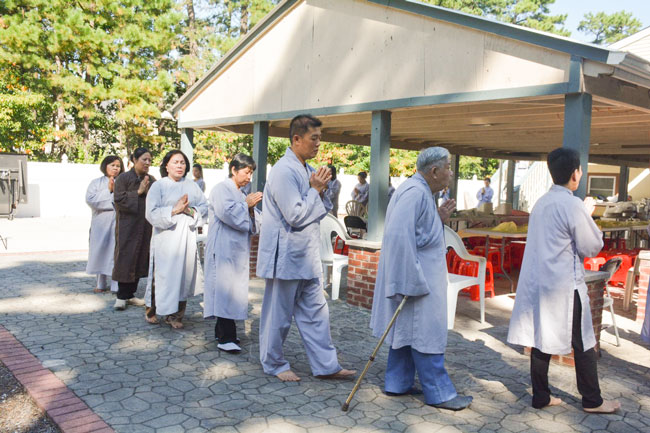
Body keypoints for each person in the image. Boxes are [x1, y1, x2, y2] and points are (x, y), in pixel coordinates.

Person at [507, 147, 620, 414]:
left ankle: (541, 395)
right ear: (575, 173)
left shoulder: (541, 202)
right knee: (584, 341)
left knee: (540, 337)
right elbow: (591, 246)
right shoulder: (572, 205)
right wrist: (587, 214)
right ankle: (593, 400)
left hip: (540, 282)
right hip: (564, 285)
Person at [370, 146, 472, 411]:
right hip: (417, 280)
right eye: (448, 167)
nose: (451, 172)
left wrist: (439, 218)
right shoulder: (415, 193)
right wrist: (409, 281)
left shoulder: (422, 192)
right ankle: (439, 393)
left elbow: (420, 231)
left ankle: (398, 383)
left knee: (407, 331)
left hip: (421, 277)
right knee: (425, 332)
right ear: (434, 171)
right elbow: (399, 237)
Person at [257, 114, 355, 382]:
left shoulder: (307, 169)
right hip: (286, 256)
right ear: (297, 139)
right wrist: (315, 190)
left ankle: (326, 365)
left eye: (320, 138)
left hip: (307, 255)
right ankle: (274, 363)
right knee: (278, 315)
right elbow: (295, 215)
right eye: (314, 138)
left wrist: (320, 190)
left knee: (316, 313)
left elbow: (321, 209)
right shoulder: (283, 171)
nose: (318, 144)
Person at [204, 154, 262, 352]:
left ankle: (223, 332)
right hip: (223, 248)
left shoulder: (240, 193)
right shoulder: (221, 189)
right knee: (225, 290)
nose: (249, 177)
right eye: (246, 172)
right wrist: (246, 205)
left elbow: (253, 221)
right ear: (234, 170)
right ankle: (225, 337)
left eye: (251, 173)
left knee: (233, 291)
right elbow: (227, 214)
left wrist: (251, 210)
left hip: (237, 251)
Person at [145, 150, 208, 329]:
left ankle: (176, 316)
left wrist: (189, 211)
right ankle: (152, 310)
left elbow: (205, 207)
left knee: (182, 276)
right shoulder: (158, 186)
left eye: (182, 162)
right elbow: (151, 213)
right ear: (167, 166)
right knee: (161, 275)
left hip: (185, 238)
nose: (179, 166)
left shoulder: (192, 186)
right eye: (175, 162)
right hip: (165, 237)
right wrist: (174, 210)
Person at [112, 148, 155, 311]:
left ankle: (130, 294)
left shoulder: (151, 179)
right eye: (144, 159)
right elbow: (119, 200)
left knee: (140, 256)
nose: (147, 163)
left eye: (149, 160)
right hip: (127, 225)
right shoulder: (123, 178)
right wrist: (138, 192)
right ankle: (121, 296)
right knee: (126, 256)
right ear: (134, 160)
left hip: (145, 225)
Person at [85, 155, 124, 293]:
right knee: (100, 251)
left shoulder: (123, 182)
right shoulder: (96, 183)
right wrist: (109, 191)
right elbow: (91, 199)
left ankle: (116, 284)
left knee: (116, 253)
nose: (115, 168)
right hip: (101, 222)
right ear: (105, 166)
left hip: (118, 221)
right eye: (112, 165)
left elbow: (125, 199)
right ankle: (100, 283)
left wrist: (114, 193)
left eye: (118, 166)